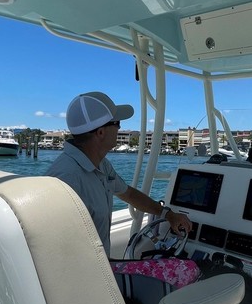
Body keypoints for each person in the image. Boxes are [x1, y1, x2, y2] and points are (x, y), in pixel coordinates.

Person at [46, 91, 192, 250]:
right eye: (117, 124)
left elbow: (128, 194)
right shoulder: (65, 180)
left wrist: (168, 215)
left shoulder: (101, 164)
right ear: (100, 132)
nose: (120, 128)